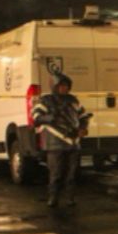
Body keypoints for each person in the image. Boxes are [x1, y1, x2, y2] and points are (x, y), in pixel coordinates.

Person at [31, 73, 91, 208]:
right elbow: (36, 117)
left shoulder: (73, 101)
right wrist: (49, 118)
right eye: (61, 86)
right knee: (56, 173)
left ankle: (70, 198)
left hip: (73, 142)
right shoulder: (45, 100)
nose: (64, 89)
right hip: (54, 142)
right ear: (55, 86)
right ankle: (53, 198)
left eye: (66, 86)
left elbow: (84, 116)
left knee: (72, 174)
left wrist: (83, 128)